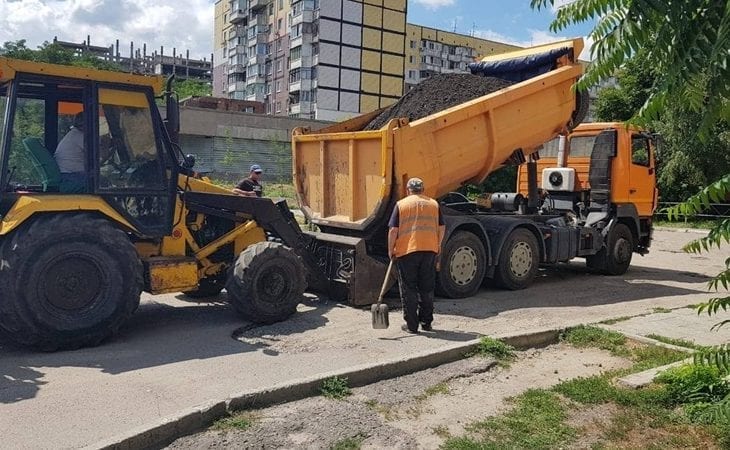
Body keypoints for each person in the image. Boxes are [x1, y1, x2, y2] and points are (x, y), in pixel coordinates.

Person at [388, 177, 445, 334]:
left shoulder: (401, 205)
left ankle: (412, 325)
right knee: (426, 288)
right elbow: (441, 227)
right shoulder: (434, 204)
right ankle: (426, 323)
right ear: (423, 190)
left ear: (407, 190)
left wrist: (391, 249)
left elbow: (393, 230)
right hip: (429, 251)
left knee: (409, 288)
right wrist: (437, 245)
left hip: (407, 252)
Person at [54, 112, 87, 193]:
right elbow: (98, 155)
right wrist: (106, 144)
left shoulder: (73, 134)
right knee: (103, 182)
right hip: (70, 177)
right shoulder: (79, 136)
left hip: (68, 175)